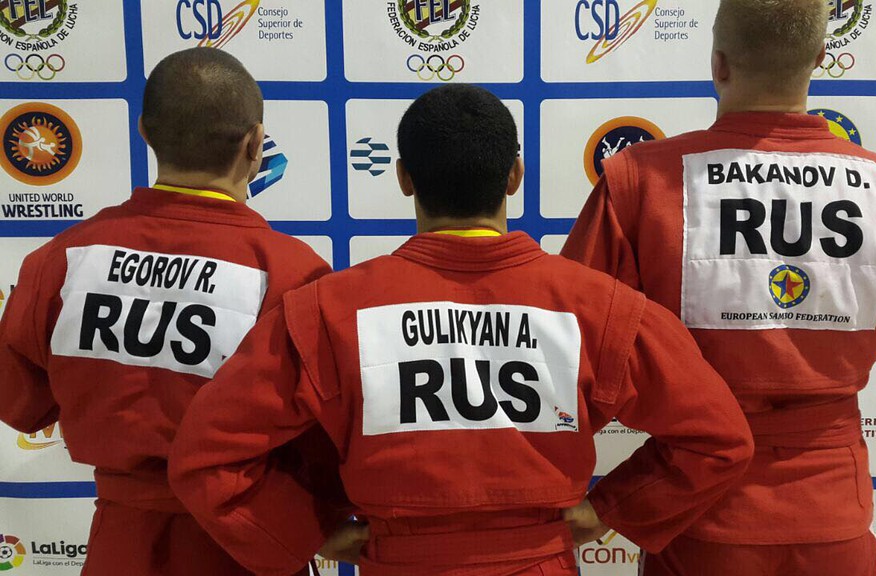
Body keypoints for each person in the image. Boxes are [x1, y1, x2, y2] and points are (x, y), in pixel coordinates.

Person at [168, 84, 755, 576]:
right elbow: (720, 439)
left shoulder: (325, 311)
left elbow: (205, 457)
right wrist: (610, 510)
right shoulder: (599, 307)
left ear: (403, 177)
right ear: (515, 176)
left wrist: (306, 533)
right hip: (540, 562)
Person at [561, 1, 876, 575]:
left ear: (718, 64)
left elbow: (572, 341)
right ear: (820, 58)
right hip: (834, 514)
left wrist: (582, 491)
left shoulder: (641, 181)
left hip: (698, 512)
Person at [0, 48, 337, 576]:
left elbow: (21, 404)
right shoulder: (296, 273)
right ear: (255, 144)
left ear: (144, 132)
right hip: (247, 544)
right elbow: (326, 442)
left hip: (120, 548)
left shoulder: (62, 258)